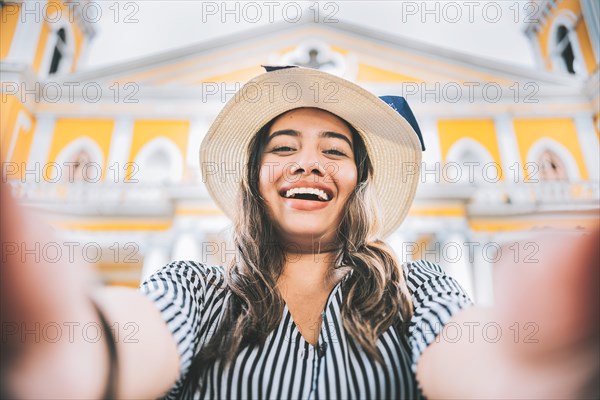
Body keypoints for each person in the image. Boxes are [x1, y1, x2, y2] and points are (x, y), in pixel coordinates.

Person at [1, 66, 598, 399]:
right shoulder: (196, 291)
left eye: (333, 151)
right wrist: (65, 352)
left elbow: (473, 359)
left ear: (359, 179)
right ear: (257, 176)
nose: (307, 164)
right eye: (283, 148)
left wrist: (534, 376)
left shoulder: (420, 294)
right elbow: (129, 340)